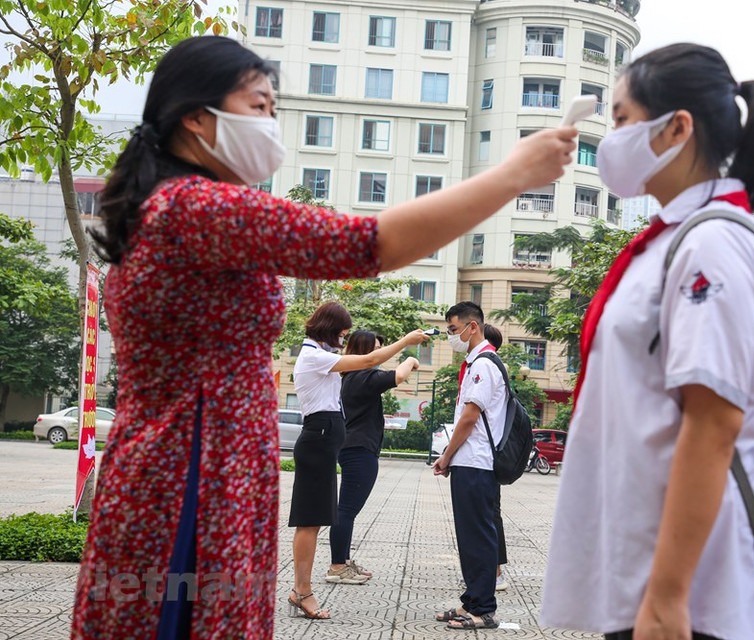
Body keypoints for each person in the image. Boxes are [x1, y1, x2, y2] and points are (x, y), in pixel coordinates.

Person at [73, 35, 575, 639]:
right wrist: (513, 174)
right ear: (196, 119)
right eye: (258, 106)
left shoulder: (173, 208)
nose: (271, 123)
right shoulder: (199, 209)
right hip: (191, 478)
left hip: (203, 467)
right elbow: (369, 243)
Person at [540, 43, 754, 640]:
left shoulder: (711, 246)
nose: (611, 138)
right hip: (645, 575)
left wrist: (667, 598)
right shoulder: (676, 240)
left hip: (688, 595)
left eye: (623, 120)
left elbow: (714, 421)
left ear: (677, 127)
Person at [288, 304, 428, 616]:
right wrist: (406, 342)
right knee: (309, 522)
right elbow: (368, 360)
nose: (343, 339)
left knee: (316, 519)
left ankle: (302, 588)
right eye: (341, 333)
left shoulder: (321, 357)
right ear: (329, 329)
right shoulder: (314, 356)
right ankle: (303, 591)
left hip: (324, 441)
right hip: (318, 441)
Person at [432, 302, 506, 630]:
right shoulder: (474, 362)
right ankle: (471, 601)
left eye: (453, 330)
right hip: (469, 462)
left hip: (477, 464)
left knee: (478, 536)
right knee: (469, 536)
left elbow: (469, 418)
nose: (451, 336)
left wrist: (446, 455)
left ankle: (484, 610)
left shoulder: (485, 365)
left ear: (471, 326)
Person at [328, 330, 420, 586]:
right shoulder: (363, 375)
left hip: (352, 447)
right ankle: (337, 565)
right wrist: (411, 359)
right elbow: (399, 375)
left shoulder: (349, 376)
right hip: (359, 450)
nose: (380, 354)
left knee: (347, 509)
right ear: (363, 351)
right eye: (376, 349)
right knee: (346, 510)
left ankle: (343, 562)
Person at [481, 324, 509, 592]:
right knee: (490, 513)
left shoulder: (489, 366)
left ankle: (496, 572)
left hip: (488, 455)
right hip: (489, 452)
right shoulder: (490, 364)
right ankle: (493, 570)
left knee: (490, 514)